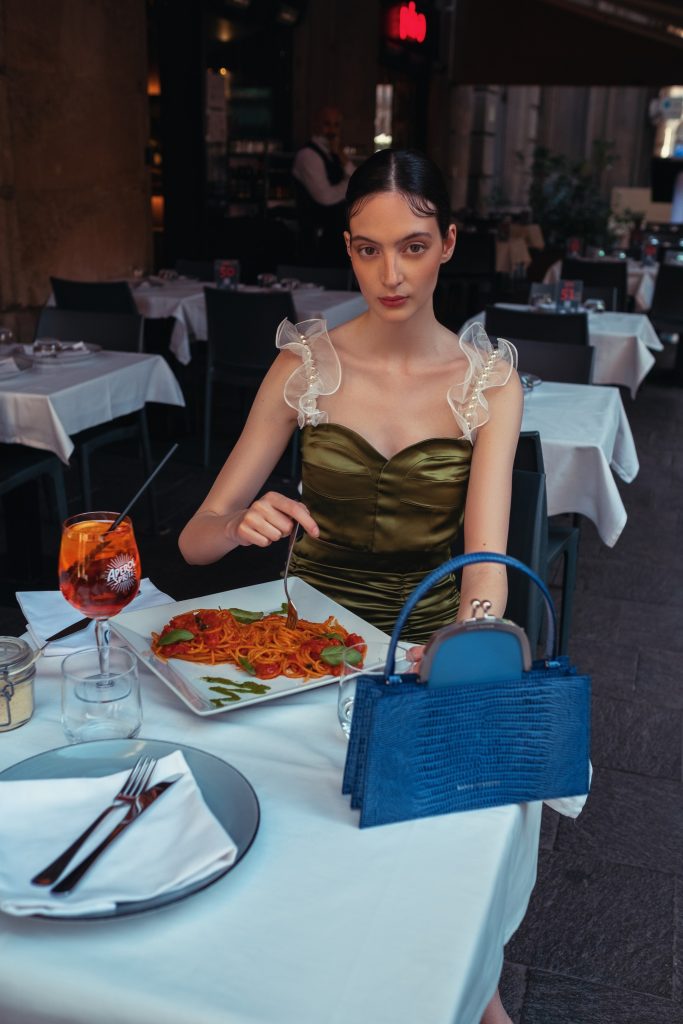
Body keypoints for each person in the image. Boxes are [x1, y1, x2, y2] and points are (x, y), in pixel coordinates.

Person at [179, 149, 522, 1024]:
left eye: (412, 247)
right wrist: (240, 520)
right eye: (368, 250)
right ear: (347, 249)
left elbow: (485, 561)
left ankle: (469, 994)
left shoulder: (488, 382)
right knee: (267, 858)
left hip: (420, 652)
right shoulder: (303, 366)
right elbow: (195, 541)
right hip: (299, 653)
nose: (390, 274)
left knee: (434, 875)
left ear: (448, 244)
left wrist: (462, 651)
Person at [291, 105, 355, 265]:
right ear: (316, 125)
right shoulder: (308, 156)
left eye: (336, 125)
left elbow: (356, 177)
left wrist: (342, 156)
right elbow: (325, 197)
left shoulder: (334, 153)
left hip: (336, 234)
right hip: (317, 237)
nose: (332, 131)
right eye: (327, 124)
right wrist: (352, 185)